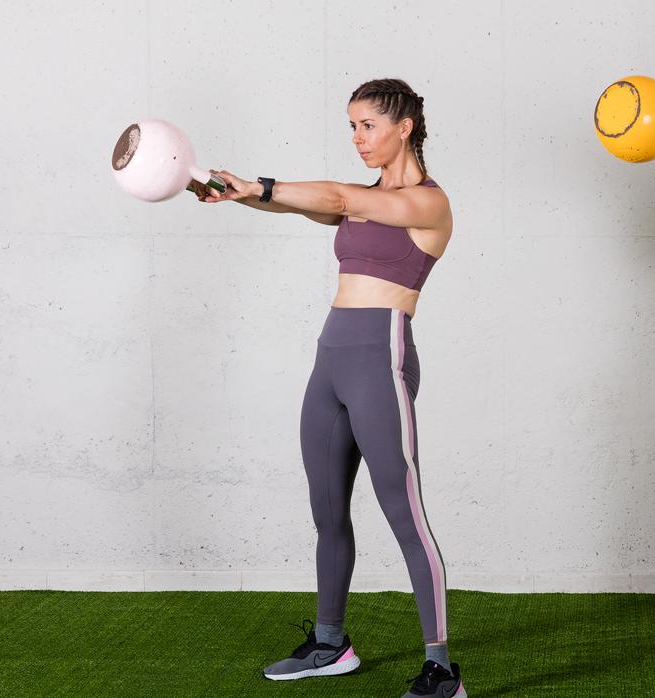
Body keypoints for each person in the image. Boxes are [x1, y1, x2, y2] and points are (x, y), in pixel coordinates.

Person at [195, 78, 466, 698]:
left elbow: (340, 198)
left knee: (405, 514)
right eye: (351, 126)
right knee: (326, 511)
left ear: (404, 126)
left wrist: (261, 182)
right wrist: (236, 193)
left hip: (380, 357)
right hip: (331, 361)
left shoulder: (430, 203)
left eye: (368, 125)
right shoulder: (361, 197)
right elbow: (308, 204)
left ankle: (442, 669)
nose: (358, 138)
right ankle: (329, 642)